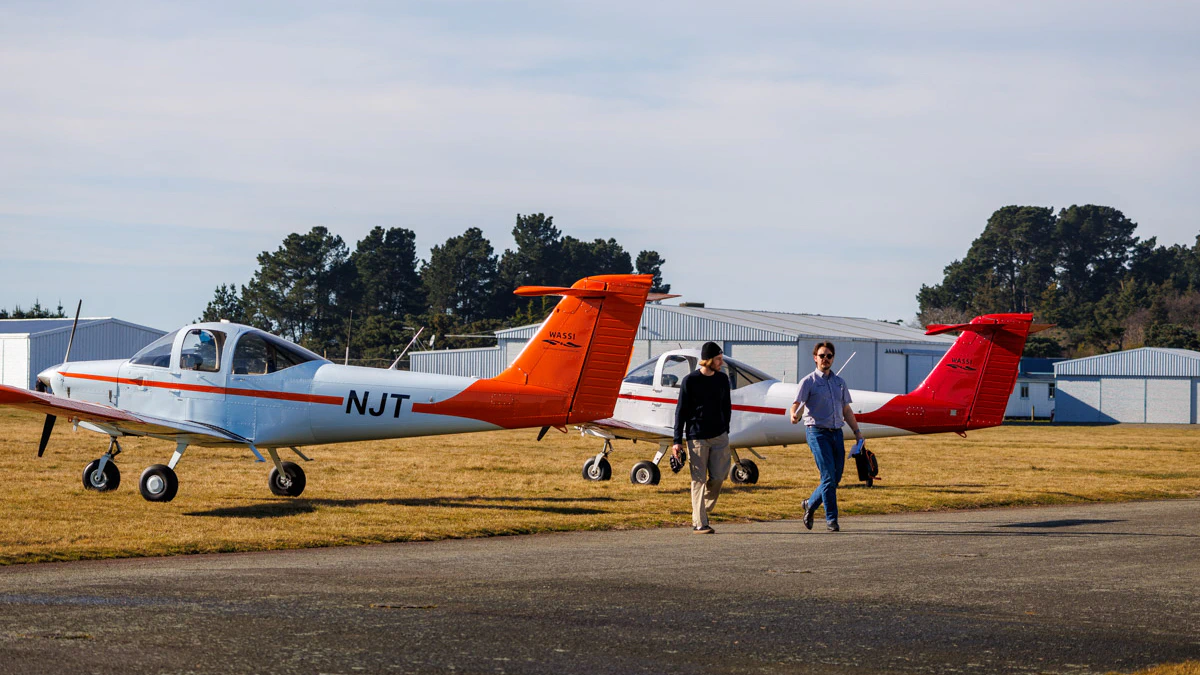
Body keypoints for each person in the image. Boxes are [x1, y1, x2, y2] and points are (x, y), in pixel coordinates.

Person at [789, 341, 863, 532]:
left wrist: (857, 432)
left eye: (829, 356)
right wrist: (793, 414)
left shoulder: (840, 383)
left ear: (833, 359)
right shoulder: (808, 381)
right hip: (817, 432)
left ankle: (810, 503)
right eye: (822, 356)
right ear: (815, 358)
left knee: (835, 478)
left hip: (836, 433)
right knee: (828, 476)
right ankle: (832, 519)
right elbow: (796, 403)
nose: (825, 359)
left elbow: (846, 409)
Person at [671, 341, 732, 534]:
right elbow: (680, 412)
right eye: (718, 359)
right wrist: (676, 441)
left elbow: (727, 407)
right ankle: (700, 523)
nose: (721, 363)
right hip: (697, 437)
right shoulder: (690, 381)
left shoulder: (723, 379)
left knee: (719, 477)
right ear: (707, 360)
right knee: (698, 480)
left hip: (720, 436)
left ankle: (700, 512)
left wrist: (725, 430)